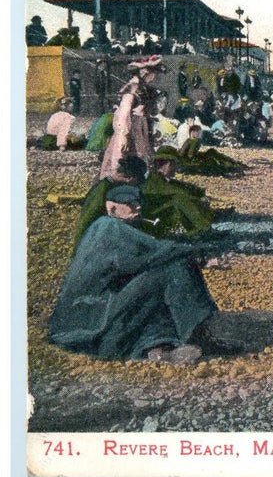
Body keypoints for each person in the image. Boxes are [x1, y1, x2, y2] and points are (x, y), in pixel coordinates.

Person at [48, 184, 232, 363]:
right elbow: (156, 252)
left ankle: (160, 348)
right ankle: (197, 336)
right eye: (130, 204)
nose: (138, 207)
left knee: (163, 272)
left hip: (99, 317)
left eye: (138, 202)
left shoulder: (106, 228)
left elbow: (143, 259)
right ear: (112, 209)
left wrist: (200, 259)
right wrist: (198, 255)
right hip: (96, 326)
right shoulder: (109, 228)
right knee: (172, 268)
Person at [99, 54, 166, 181]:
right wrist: (123, 135)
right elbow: (123, 114)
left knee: (141, 153)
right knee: (128, 154)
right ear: (144, 71)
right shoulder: (133, 88)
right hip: (132, 126)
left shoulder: (142, 87)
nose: (153, 77)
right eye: (152, 72)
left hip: (140, 125)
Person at [73, 155, 148, 250]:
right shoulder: (102, 190)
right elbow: (87, 220)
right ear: (131, 178)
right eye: (138, 180)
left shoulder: (108, 185)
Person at [140, 146, 215, 238]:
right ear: (168, 164)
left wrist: (199, 195)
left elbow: (186, 188)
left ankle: (203, 228)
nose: (176, 169)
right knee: (180, 199)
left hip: (162, 216)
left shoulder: (162, 180)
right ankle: (204, 229)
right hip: (155, 220)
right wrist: (199, 200)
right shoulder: (153, 182)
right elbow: (176, 192)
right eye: (175, 164)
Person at [178, 125, 248, 176]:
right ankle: (233, 165)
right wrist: (198, 156)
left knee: (212, 152)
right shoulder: (191, 141)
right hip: (192, 161)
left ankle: (234, 164)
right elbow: (188, 154)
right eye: (197, 132)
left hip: (193, 159)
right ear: (192, 132)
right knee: (213, 155)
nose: (199, 134)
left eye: (199, 132)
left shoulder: (194, 140)